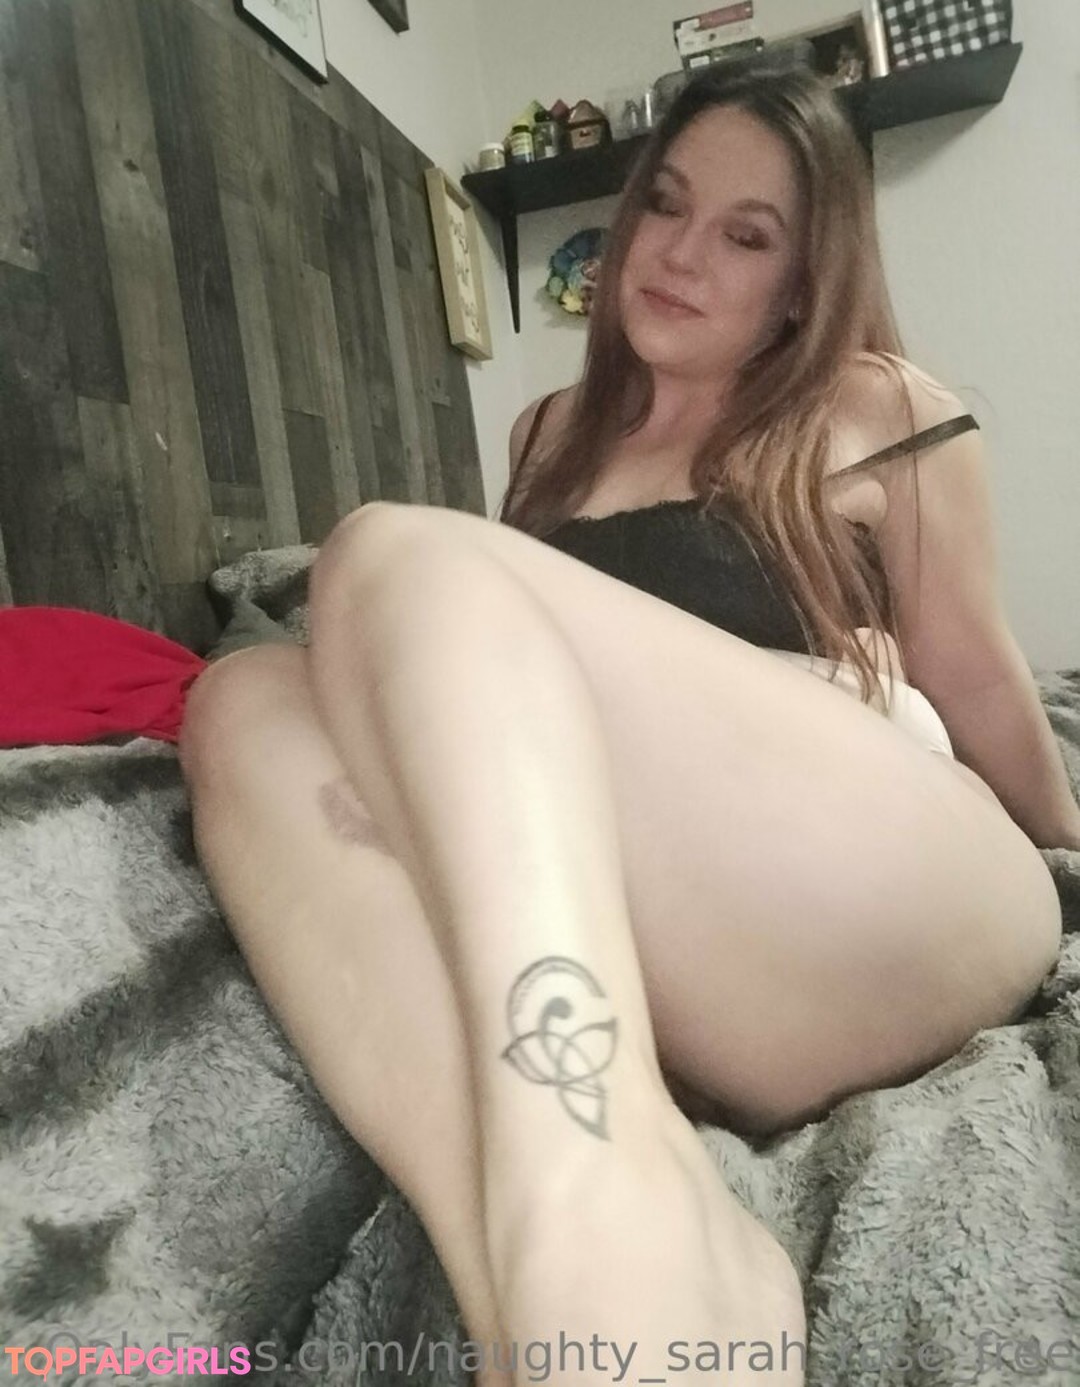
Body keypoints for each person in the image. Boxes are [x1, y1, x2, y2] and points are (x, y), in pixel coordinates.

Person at [178, 61, 1079, 1387]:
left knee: (387, 554)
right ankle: (585, 1288)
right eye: (665, 204)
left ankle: (593, 1191)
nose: (679, 252)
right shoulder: (546, 435)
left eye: (747, 235)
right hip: (658, 932)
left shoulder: (880, 407)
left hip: (883, 881)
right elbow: (476, 712)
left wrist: (1070, 845)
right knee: (243, 695)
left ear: (805, 280)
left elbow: (985, 682)